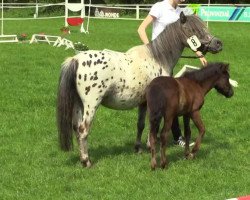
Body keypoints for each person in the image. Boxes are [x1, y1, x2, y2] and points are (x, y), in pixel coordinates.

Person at [138, 0, 207, 147]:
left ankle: (175, 137)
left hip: (169, 62)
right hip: (156, 60)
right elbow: (141, 29)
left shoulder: (180, 12)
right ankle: (153, 137)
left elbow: (188, 34)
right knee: (158, 100)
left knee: (172, 99)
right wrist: (150, 49)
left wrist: (199, 53)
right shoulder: (159, 7)